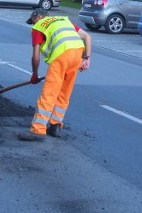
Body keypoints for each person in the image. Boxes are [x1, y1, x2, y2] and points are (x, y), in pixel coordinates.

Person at [19, 8, 92, 141]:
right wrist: (86, 58)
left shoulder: (39, 26)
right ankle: (55, 126)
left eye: (33, 20)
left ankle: (38, 130)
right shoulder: (63, 20)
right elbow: (87, 36)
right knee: (64, 92)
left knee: (49, 93)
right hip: (77, 54)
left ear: (39, 16)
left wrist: (34, 74)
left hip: (62, 55)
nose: (32, 23)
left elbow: (35, 56)